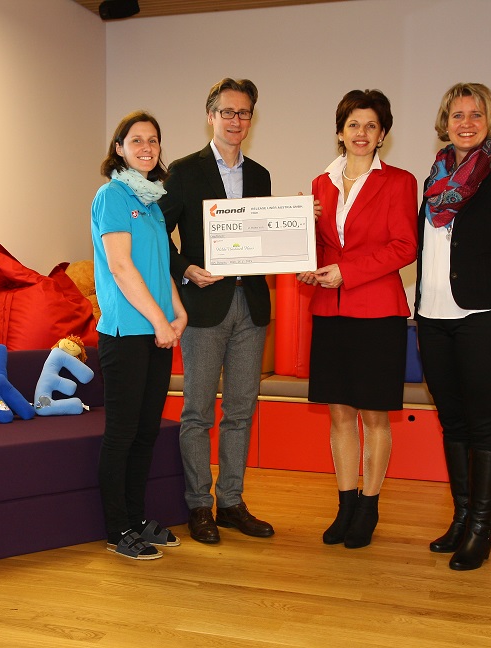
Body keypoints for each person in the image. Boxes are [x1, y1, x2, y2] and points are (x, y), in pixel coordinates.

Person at [415, 83, 491, 571]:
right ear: (444, 123)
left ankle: (481, 530)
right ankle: (462, 518)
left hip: (484, 319)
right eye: (457, 115)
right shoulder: (434, 180)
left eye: (475, 115)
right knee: (452, 421)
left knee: (484, 423)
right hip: (432, 318)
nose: (465, 123)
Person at [297, 89, 418, 549]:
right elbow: (317, 246)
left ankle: (369, 505)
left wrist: (347, 272)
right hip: (330, 311)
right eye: (353, 125)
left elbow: (405, 246)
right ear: (340, 131)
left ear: (383, 133)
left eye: (371, 125)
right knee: (340, 414)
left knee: (374, 416)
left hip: (378, 311)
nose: (361, 133)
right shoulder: (320, 183)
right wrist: (305, 257)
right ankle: (345, 504)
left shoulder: (400, 182)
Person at [159, 78, 274, 544]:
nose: (235, 120)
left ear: (251, 118)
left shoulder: (261, 175)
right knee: (198, 412)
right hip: (204, 306)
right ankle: (198, 505)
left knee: (241, 411)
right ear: (211, 116)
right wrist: (186, 269)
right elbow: (157, 234)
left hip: (251, 305)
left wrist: (298, 228)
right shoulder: (184, 172)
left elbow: (265, 237)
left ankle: (230, 502)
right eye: (227, 112)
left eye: (243, 112)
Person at [92, 110, 188, 560]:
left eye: (153, 140)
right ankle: (117, 529)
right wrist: (159, 321)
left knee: (146, 432)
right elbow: (121, 267)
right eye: (136, 140)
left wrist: (177, 311)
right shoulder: (112, 196)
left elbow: (158, 266)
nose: (146, 147)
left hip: (156, 330)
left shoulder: (151, 201)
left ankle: (135, 517)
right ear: (119, 148)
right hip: (126, 332)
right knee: (122, 434)